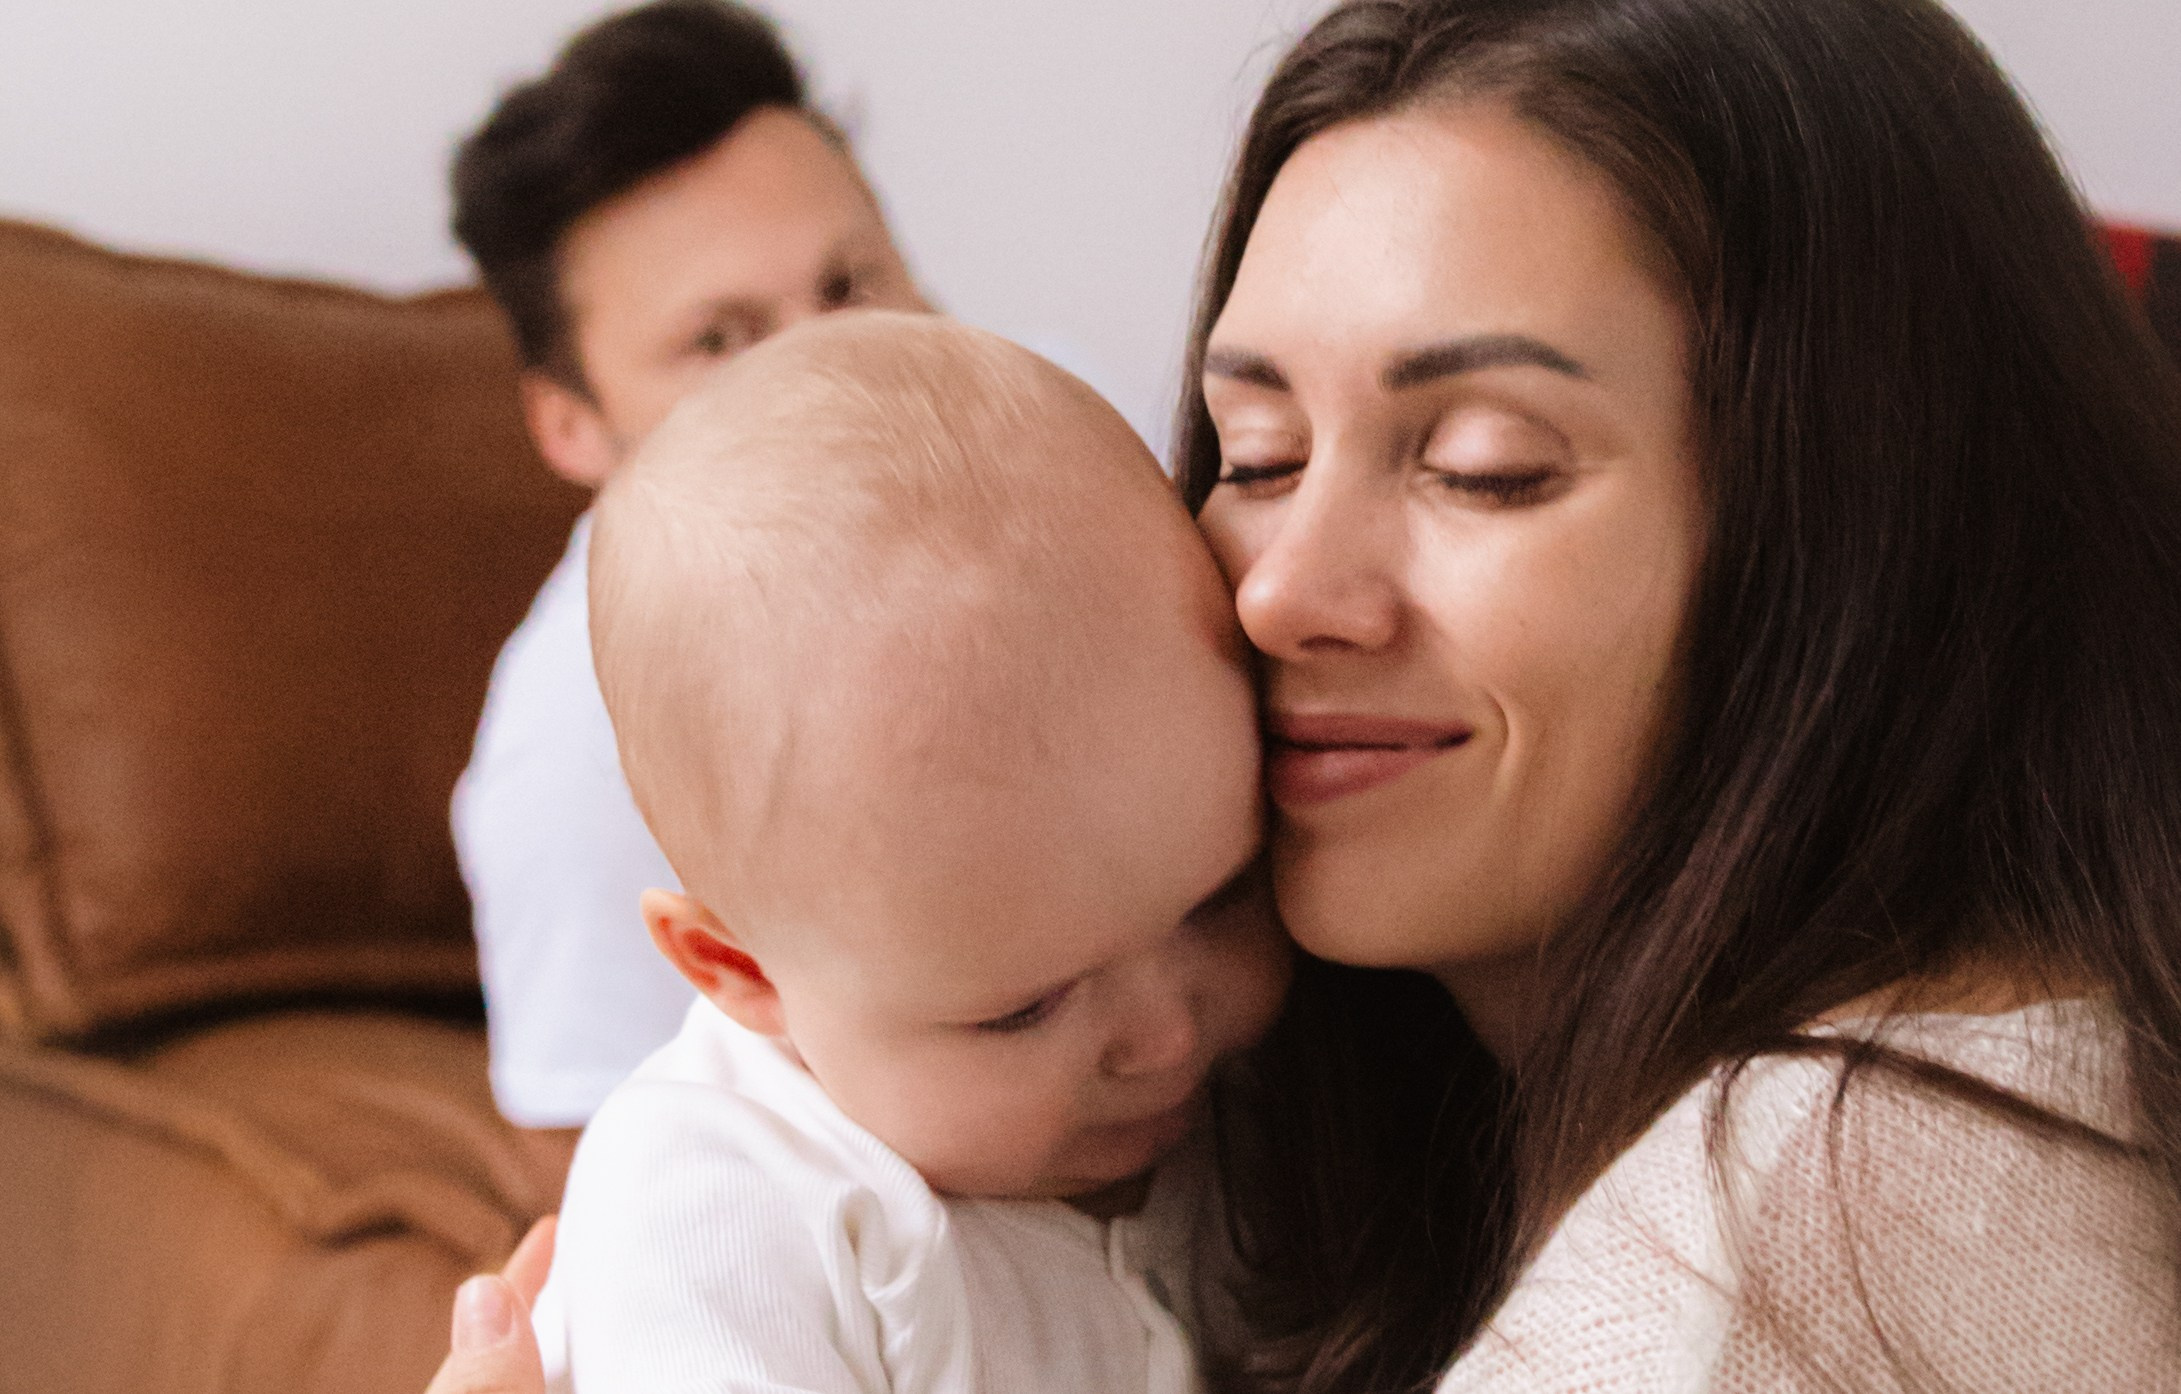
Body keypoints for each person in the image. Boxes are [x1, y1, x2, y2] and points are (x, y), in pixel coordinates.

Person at [431, 0, 2181, 1389]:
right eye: (1255, 449)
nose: (1271, 585)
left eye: (1487, 464)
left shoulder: (1789, 1255)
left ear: (1859, 515)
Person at [535, 311, 1287, 1393]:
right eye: (1023, 1007)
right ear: (742, 971)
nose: (1167, 1031)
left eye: (1221, 897)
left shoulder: (1239, 1115)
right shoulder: (715, 1200)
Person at [447, 0, 926, 1177]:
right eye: (720, 338)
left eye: (851, 283)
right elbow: (600, 1194)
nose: (831, 366)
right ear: (573, 424)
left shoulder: (1078, 462)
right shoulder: (577, 745)